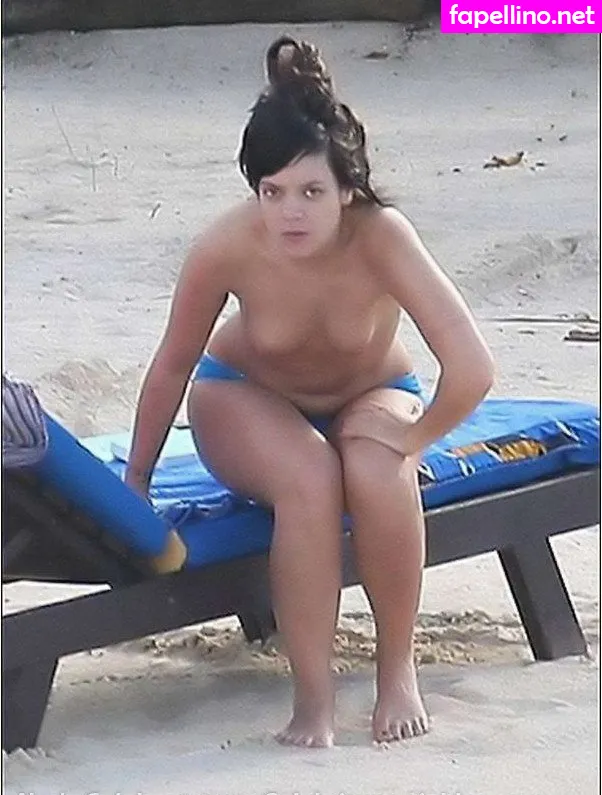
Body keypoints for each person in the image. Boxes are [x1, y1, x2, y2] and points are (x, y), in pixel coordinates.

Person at [124, 36, 494, 748]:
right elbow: (172, 364)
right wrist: (136, 480)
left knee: (377, 468)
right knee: (310, 477)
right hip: (245, 393)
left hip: (372, 388)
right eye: (273, 192)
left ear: (347, 189)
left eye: (311, 192)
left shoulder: (383, 236)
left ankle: (396, 673)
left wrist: (415, 439)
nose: (290, 212)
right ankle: (312, 701)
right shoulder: (227, 245)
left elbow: (472, 366)